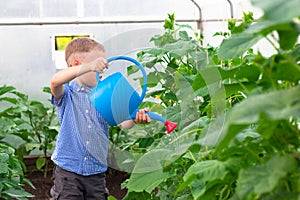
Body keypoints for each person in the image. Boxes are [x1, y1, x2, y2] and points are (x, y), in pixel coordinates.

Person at [50, 37, 151, 200]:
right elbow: (55, 81)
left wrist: (134, 118)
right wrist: (88, 66)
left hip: (96, 172)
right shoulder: (67, 93)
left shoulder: (107, 95)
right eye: (96, 66)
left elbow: (125, 123)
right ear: (77, 65)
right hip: (68, 171)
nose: (101, 71)